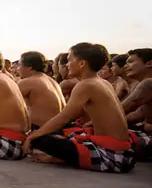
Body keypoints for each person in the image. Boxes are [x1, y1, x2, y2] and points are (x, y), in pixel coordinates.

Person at [24, 43, 135, 173]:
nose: (67, 64)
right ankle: (61, 157)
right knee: (65, 135)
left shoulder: (86, 84)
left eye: (70, 60)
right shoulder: (103, 82)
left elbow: (64, 117)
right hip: (124, 152)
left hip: (113, 156)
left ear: (82, 63)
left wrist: (32, 137)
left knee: (39, 139)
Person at [17, 51, 65, 129]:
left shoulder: (28, 82)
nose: (17, 69)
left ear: (29, 67)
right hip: (59, 129)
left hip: (42, 132)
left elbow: (4, 104)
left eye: (19, 65)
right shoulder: (52, 81)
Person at [122, 48, 152, 161]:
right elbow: (136, 115)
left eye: (130, 62)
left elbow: (122, 109)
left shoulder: (148, 84)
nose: (126, 66)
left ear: (149, 63)